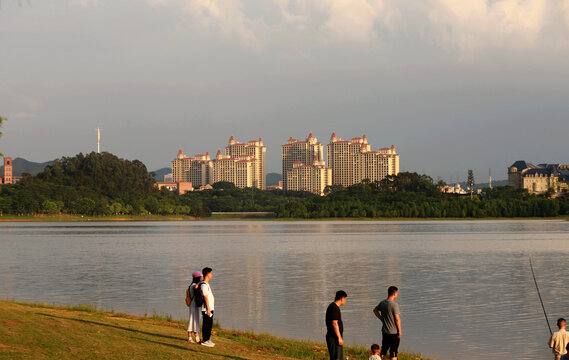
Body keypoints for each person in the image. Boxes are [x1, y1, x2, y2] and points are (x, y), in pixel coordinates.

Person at [373, 286, 401, 360]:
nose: (397, 295)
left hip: (385, 332)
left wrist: (381, 319)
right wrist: (400, 331)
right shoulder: (394, 305)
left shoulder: (382, 303)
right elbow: (397, 319)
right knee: (393, 352)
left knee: (383, 351)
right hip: (394, 332)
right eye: (397, 293)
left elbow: (375, 310)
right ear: (394, 293)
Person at [325, 290, 347, 360]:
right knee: (336, 357)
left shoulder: (333, 306)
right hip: (334, 337)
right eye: (345, 299)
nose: (345, 301)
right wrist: (339, 337)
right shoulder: (334, 308)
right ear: (342, 298)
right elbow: (334, 323)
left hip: (335, 337)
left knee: (338, 357)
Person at [200, 267, 215, 347]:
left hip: (210, 308)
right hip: (206, 309)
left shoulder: (206, 284)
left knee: (209, 324)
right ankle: (205, 340)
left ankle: (207, 339)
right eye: (211, 273)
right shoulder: (204, 285)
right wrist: (208, 309)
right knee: (207, 324)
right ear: (207, 274)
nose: (212, 275)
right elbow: (205, 297)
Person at [187, 271, 203, 343]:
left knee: (195, 320)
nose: (201, 279)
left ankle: (196, 337)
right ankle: (190, 338)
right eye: (200, 278)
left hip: (194, 306)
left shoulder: (192, 285)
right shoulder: (193, 285)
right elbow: (196, 287)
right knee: (192, 320)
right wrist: (201, 282)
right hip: (194, 306)